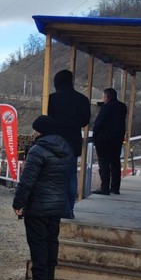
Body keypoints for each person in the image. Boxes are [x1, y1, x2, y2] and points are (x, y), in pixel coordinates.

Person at [13, 115, 73, 280]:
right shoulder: (67, 148)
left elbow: (27, 181)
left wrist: (18, 202)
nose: (33, 132)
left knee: (38, 242)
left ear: (39, 131)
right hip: (58, 204)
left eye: (34, 129)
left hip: (38, 205)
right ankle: (49, 277)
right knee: (51, 241)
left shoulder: (38, 150)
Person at [47, 69, 91, 219]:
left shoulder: (52, 99)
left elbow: (49, 120)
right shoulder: (82, 100)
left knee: (55, 177)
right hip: (73, 142)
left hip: (55, 143)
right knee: (71, 176)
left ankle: (58, 209)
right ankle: (69, 210)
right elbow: (85, 121)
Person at [91, 87, 128, 195]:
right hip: (117, 139)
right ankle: (115, 188)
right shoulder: (122, 107)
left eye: (103, 97)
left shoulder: (106, 107)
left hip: (104, 140)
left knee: (104, 164)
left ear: (107, 97)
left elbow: (99, 123)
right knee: (115, 163)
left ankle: (105, 188)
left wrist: (95, 135)